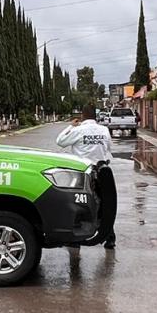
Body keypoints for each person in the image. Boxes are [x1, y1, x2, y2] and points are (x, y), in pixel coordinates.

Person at [56, 106, 117, 249]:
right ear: (95, 116)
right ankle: (110, 238)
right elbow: (109, 149)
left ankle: (75, 241)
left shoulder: (78, 130)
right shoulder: (104, 130)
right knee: (104, 205)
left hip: (82, 174)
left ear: (82, 116)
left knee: (79, 205)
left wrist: (71, 126)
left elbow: (60, 141)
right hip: (101, 173)